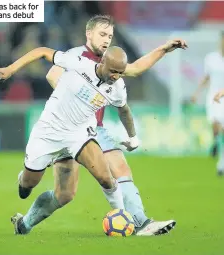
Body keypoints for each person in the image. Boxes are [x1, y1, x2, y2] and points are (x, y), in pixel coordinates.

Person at [0, 45, 153, 235]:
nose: (115, 76)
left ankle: (122, 218)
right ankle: (23, 179)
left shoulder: (117, 87)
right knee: (27, 186)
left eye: (120, 73)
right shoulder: (79, 64)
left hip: (79, 134)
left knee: (106, 177)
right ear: (102, 62)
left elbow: (124, 110)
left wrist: (133, 137)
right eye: (113, 71)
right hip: (48, 132)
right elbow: (42, 51)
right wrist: (10, 70)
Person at [45, 15, 187, 236]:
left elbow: (135, 68)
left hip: (95, 130)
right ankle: (25, 222)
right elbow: (52, 74)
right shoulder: (76, 56)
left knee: (120, 168)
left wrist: (164, 49)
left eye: (110, 36)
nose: (106, 40)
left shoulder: (109, 61)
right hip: (69, 127)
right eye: (102, 34)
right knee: (64, 195)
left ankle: (141, 223)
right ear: (88, 34)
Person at [192, 32, 224, 175]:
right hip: (213, 97)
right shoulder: (211, 58)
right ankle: (216, 142)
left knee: (222, 129)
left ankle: (221, 163)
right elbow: (206, 77)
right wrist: (196, 93)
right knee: (215, 125)